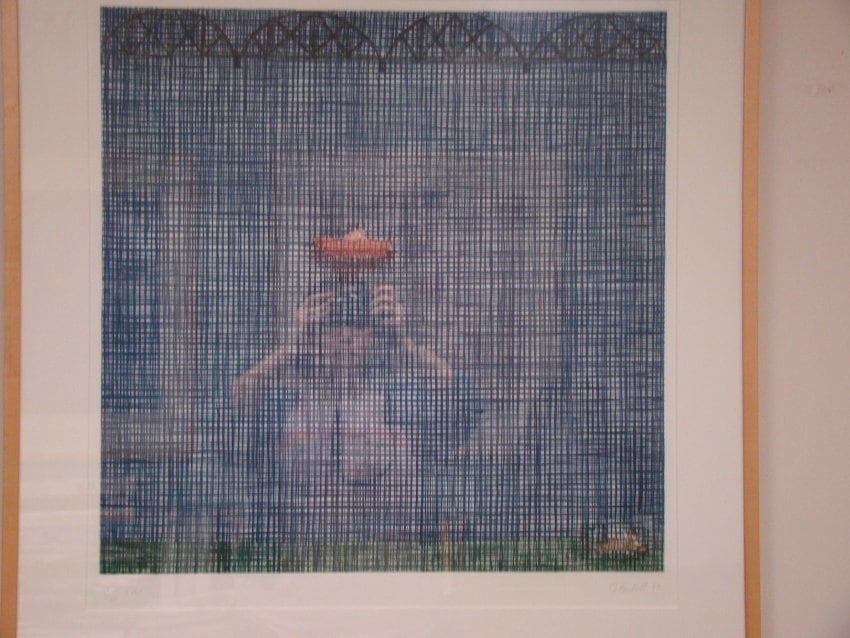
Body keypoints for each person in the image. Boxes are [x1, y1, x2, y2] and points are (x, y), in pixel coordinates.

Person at [229, 277, 480, 550]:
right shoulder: (283, 405)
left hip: (396, 558)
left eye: (359, 325)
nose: (346, 336)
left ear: (373, 335)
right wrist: (292, 348)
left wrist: (405, 344)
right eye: (332, 325)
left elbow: (466, 402)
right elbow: (231, 409)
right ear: (314, 334)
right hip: (304, 560)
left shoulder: (404, 400)